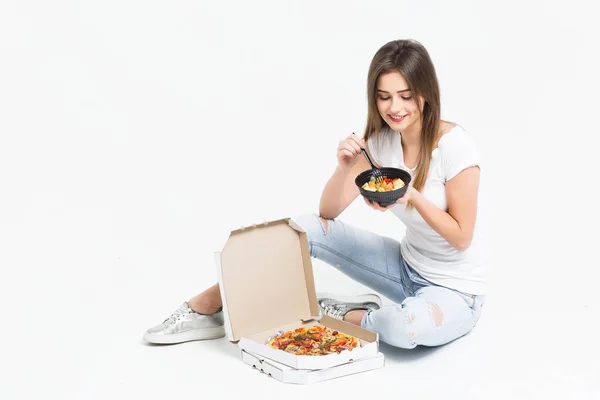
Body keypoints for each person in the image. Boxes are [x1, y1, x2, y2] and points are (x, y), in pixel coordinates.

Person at [143, 39, 487, 350]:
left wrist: (414, 198)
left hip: (456, 291)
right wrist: (344, 169)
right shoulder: (381, 142)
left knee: (404, 329)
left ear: (425, 92)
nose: (394, 107)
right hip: (403, 267)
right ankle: (208, 306)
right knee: (305, 228)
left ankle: (345, 314)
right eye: (384, 97)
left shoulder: (455, 146)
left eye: (405, 95)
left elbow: (462, 236)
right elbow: (327, 213)